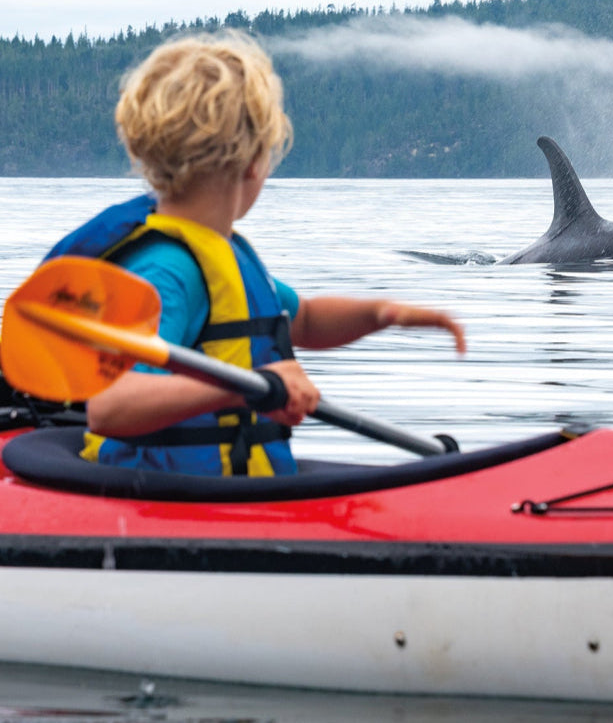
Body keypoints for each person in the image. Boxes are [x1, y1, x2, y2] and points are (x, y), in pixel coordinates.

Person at [44, 31, 465, 477]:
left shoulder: (221, 254)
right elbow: (111, 407)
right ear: (253, 161)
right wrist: (247, 387)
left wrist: (381, 313)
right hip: (169, 498)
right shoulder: (167, 271)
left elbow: (304, 321)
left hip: (227, 485)